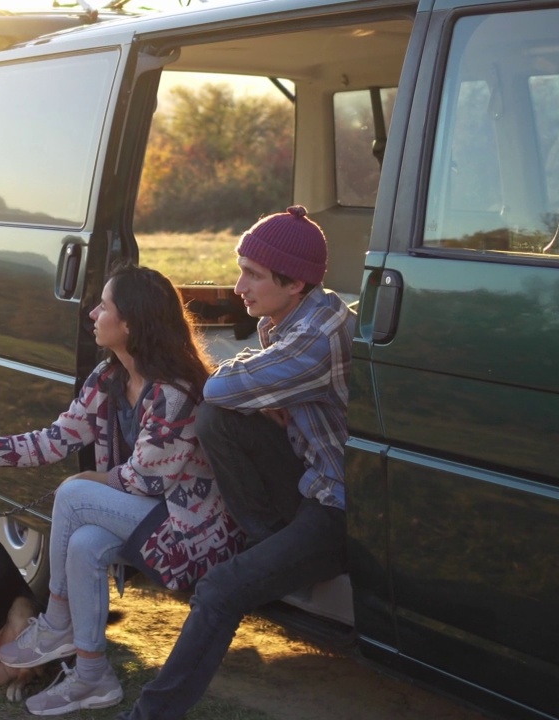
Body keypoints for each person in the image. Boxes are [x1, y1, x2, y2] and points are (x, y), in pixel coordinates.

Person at [0, 262, 245, 717]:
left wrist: (85, 482)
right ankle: (92, 676)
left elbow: (146, 479)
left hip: (190, 535)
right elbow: (55, 439)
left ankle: (58, 622)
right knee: (84, 541)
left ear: (131, 322)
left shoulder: (175, 392)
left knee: (74, 494)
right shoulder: (108, 378)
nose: (93, 313)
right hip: (143, 520)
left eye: (104, 306)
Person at [116, 206, 355, 719]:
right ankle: (266, 544)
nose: (238, 284)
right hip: (307, 477)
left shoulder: (315, 338)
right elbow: (227, 395)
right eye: (240, 267)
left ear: (294, 283)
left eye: (252, 273)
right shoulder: (302, 312)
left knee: (221, 587)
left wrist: (246, 381)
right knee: (217, 420)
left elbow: (220, 384)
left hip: (337, 505)